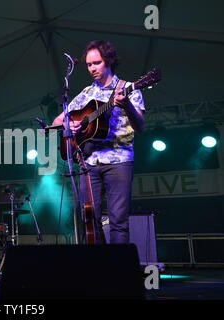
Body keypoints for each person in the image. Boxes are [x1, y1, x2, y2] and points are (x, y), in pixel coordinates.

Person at [52, 40, 145, 244]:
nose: (92, 68)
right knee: (88, 221)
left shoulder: (128, 88)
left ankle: (119, 271)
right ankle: (99, 268)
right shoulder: (86, 93)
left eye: (97, 63)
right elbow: (57, 121)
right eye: (88, 64)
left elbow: (140, 126)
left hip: (119, 160)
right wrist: (71, 126)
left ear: (109, 61)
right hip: (89, 163)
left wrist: (127, 105)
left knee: (118, 221)